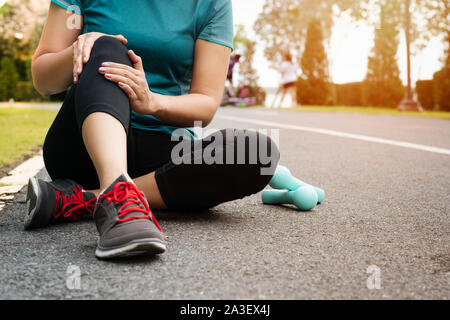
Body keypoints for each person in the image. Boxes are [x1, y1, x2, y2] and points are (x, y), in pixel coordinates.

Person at [26, 0, 279, 259]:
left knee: (258, 152)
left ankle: (85, 200)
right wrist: (80, 49)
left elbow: (205, 104)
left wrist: (152, 102)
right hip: (84, 150)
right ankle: (115, 190)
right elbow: (43, 81)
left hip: (161, 154)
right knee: (106, 44)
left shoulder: (211, 4)